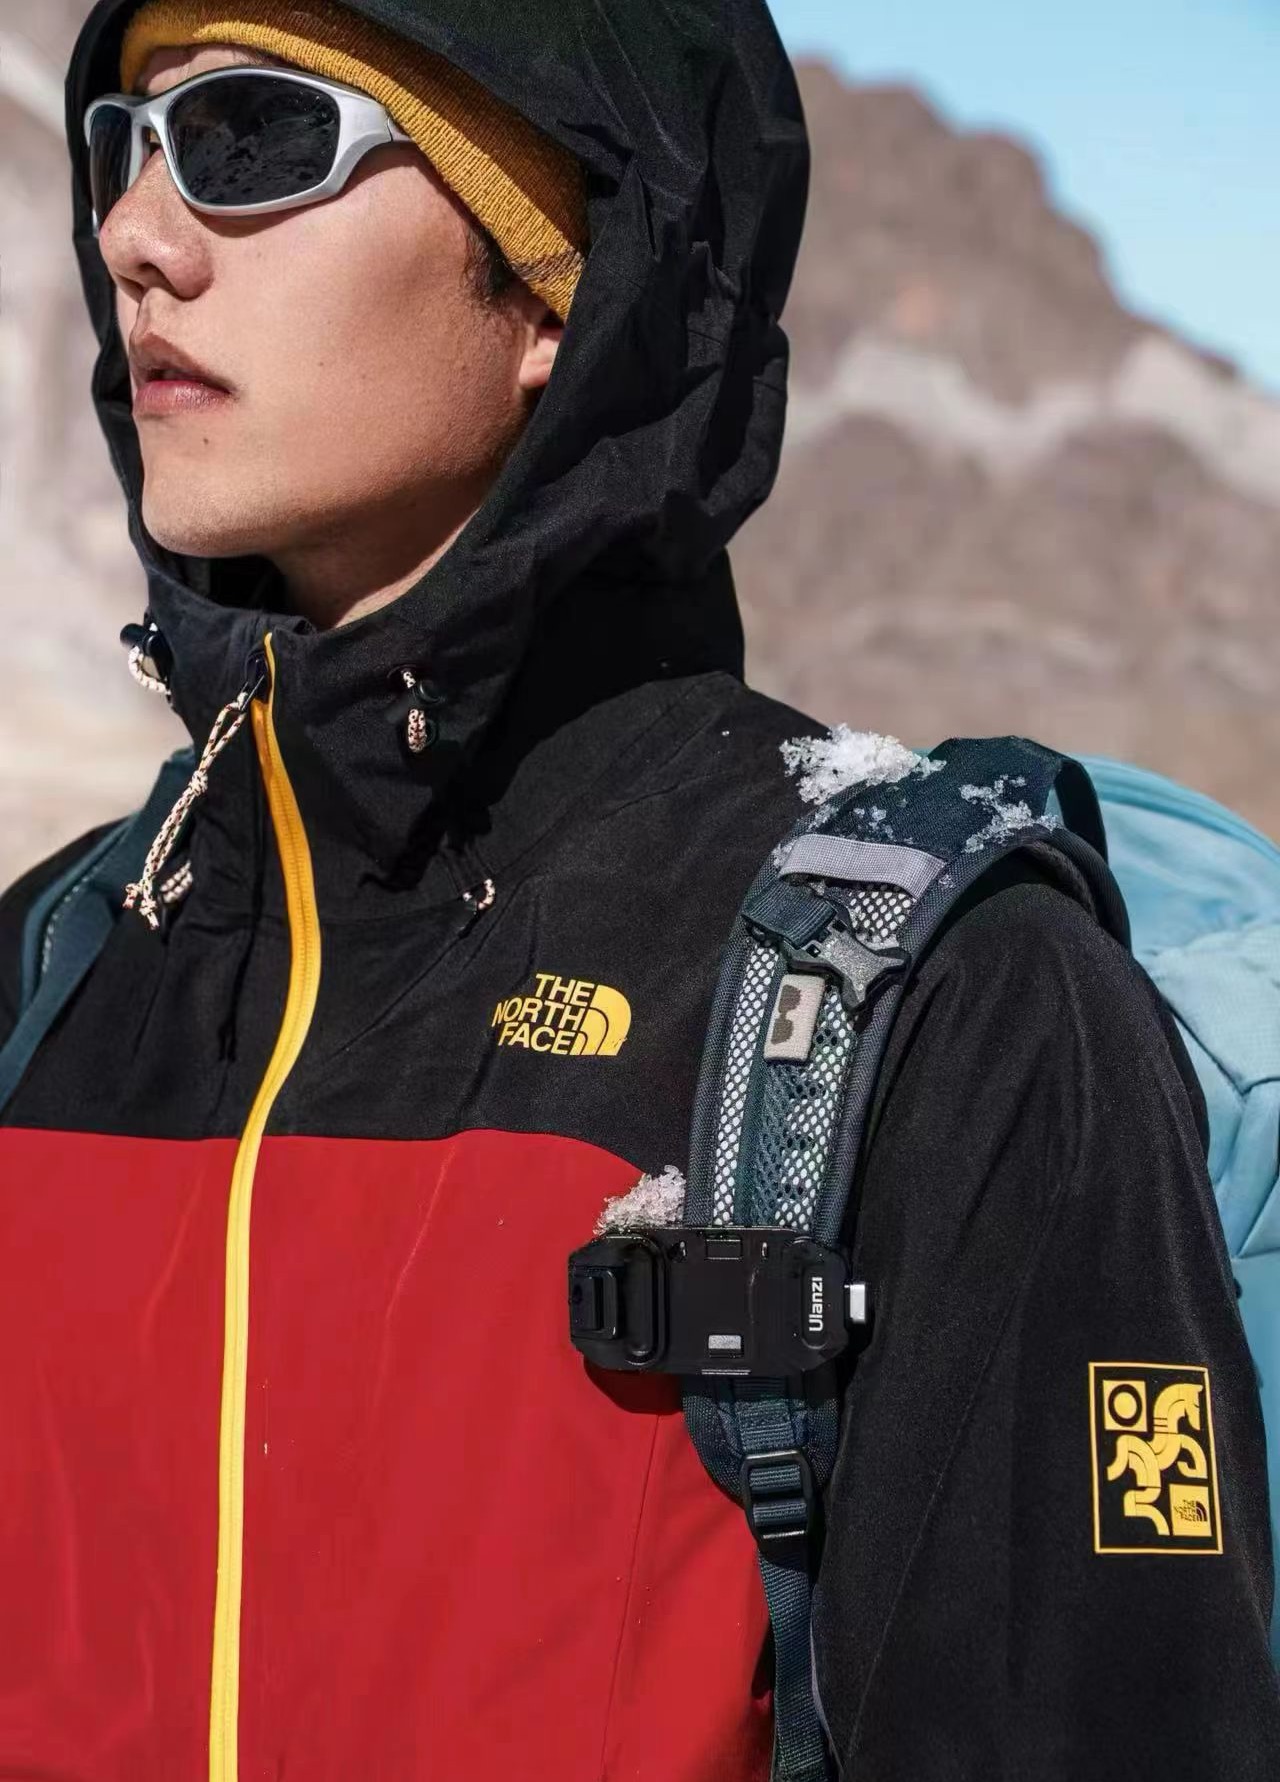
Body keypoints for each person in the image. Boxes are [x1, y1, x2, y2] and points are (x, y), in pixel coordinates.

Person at [0, 1, 1276, 1776]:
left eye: (253, 136)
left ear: (556, 285)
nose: (138, 235)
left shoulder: (948, 1008)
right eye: (123, 146)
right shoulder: (48, 976)